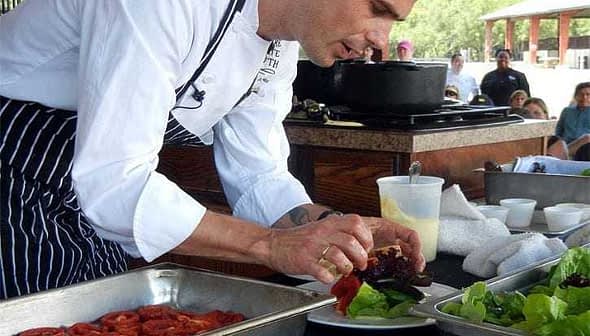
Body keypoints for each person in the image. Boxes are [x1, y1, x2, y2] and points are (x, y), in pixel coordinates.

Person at [0, 0, 424, 299]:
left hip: (85, 187)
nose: (380, 40)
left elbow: (258, 174)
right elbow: (115, 183)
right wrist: (271, 245)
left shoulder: (278, 43)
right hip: (13, 166)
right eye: (376, 7)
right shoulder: (163, 5)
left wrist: (339, 231)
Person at [555, 82, 590, 159]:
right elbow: (558, 131)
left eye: (588, 94)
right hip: (566, 143)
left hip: (585, 146)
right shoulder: (567, 111)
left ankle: (560, 155)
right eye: (581, 94)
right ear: (575, 96)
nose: (584, 97)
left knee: (588, 137)